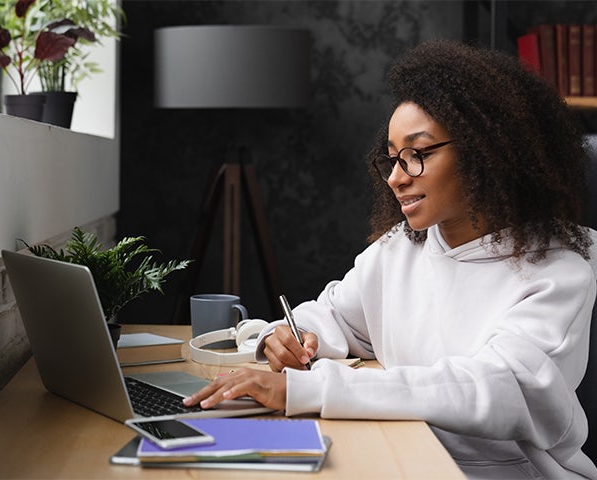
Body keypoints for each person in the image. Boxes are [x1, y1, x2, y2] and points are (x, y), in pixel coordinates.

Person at [183, 39, 597, 479]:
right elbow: (337, 317)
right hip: (405, 456)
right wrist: (292, 334)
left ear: (486, 152)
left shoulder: (559, 272)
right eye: (394, 159)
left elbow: (492, 387)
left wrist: (308, 388)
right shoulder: (401, 247)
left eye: (417, 155)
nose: (397, 178)